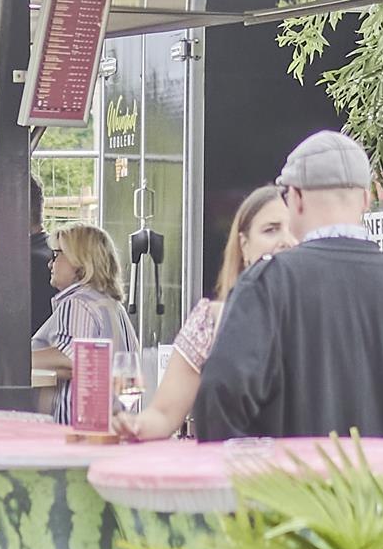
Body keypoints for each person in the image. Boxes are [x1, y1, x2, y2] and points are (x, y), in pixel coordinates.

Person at [195, 131, 383, 449]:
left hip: (298, 481)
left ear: (295, 198)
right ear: (366, 199)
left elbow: (218, 402)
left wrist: (265, 465)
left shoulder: (266, 287)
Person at [121, 188, 294, 443]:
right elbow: (164, 414)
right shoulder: (211, 320)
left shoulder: (323, 315)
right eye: (271, 230)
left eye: (294, 230)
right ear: (244, 245)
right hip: (229, 463)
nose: (286, 240)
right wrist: (131, 425)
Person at [41, 225, 141, 361]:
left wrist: (20, 359)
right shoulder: (113, 306)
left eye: (56, 255)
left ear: (79, 259)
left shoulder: (79, 303)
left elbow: (69, 356)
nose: (50, 264)